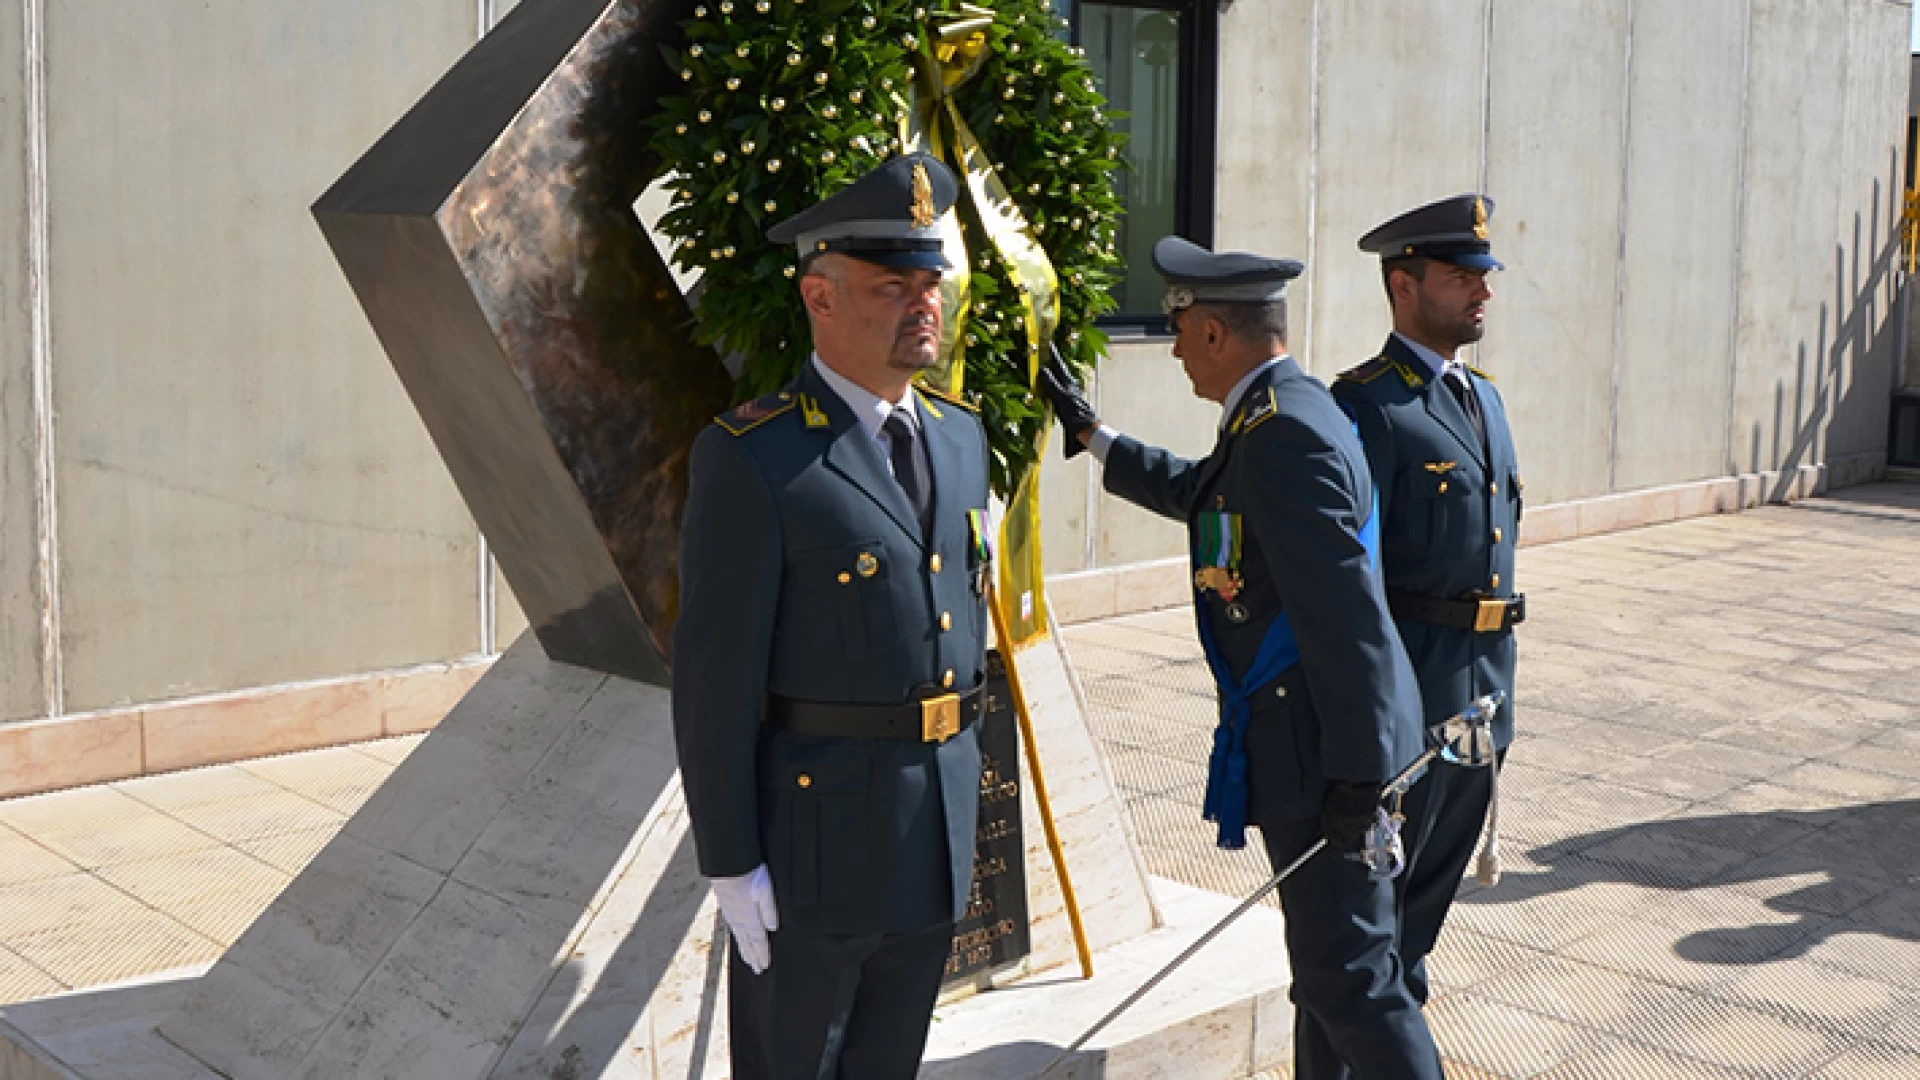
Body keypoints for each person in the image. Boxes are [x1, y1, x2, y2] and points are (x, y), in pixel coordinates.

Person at [1039, 236, 1444, 1080]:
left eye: (1180, 331)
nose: (1176, 348)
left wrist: (1360, 780)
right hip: (1323, 741)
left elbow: (1347, 617)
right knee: (1329, 977)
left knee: (1357, 983)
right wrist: (1091, 433)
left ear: (1217, 333)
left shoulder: (1284, 432)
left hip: (1326, 751)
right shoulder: (1280, 413)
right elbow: (1203, 495)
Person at [671, 151, 992, 1080]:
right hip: (809, 861)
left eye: (929, 283)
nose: (923, 304)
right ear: (819, 298)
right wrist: (730, 861)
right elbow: (714, 677)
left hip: (930, 838)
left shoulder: (959, 438)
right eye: (894, 285)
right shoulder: (756, 458)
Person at [1333, 193, 1525, 1008]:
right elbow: (1351, 573)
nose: (1482, 290)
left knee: (1431, 901)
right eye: (1461, 275)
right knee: (1380, 909)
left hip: (1486, 684)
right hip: (1416, 686)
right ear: (1403, 285)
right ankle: (1378, 1040)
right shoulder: (1367, 405)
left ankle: (1395, 1021)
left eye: (1484, 274)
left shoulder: (1484, 398)